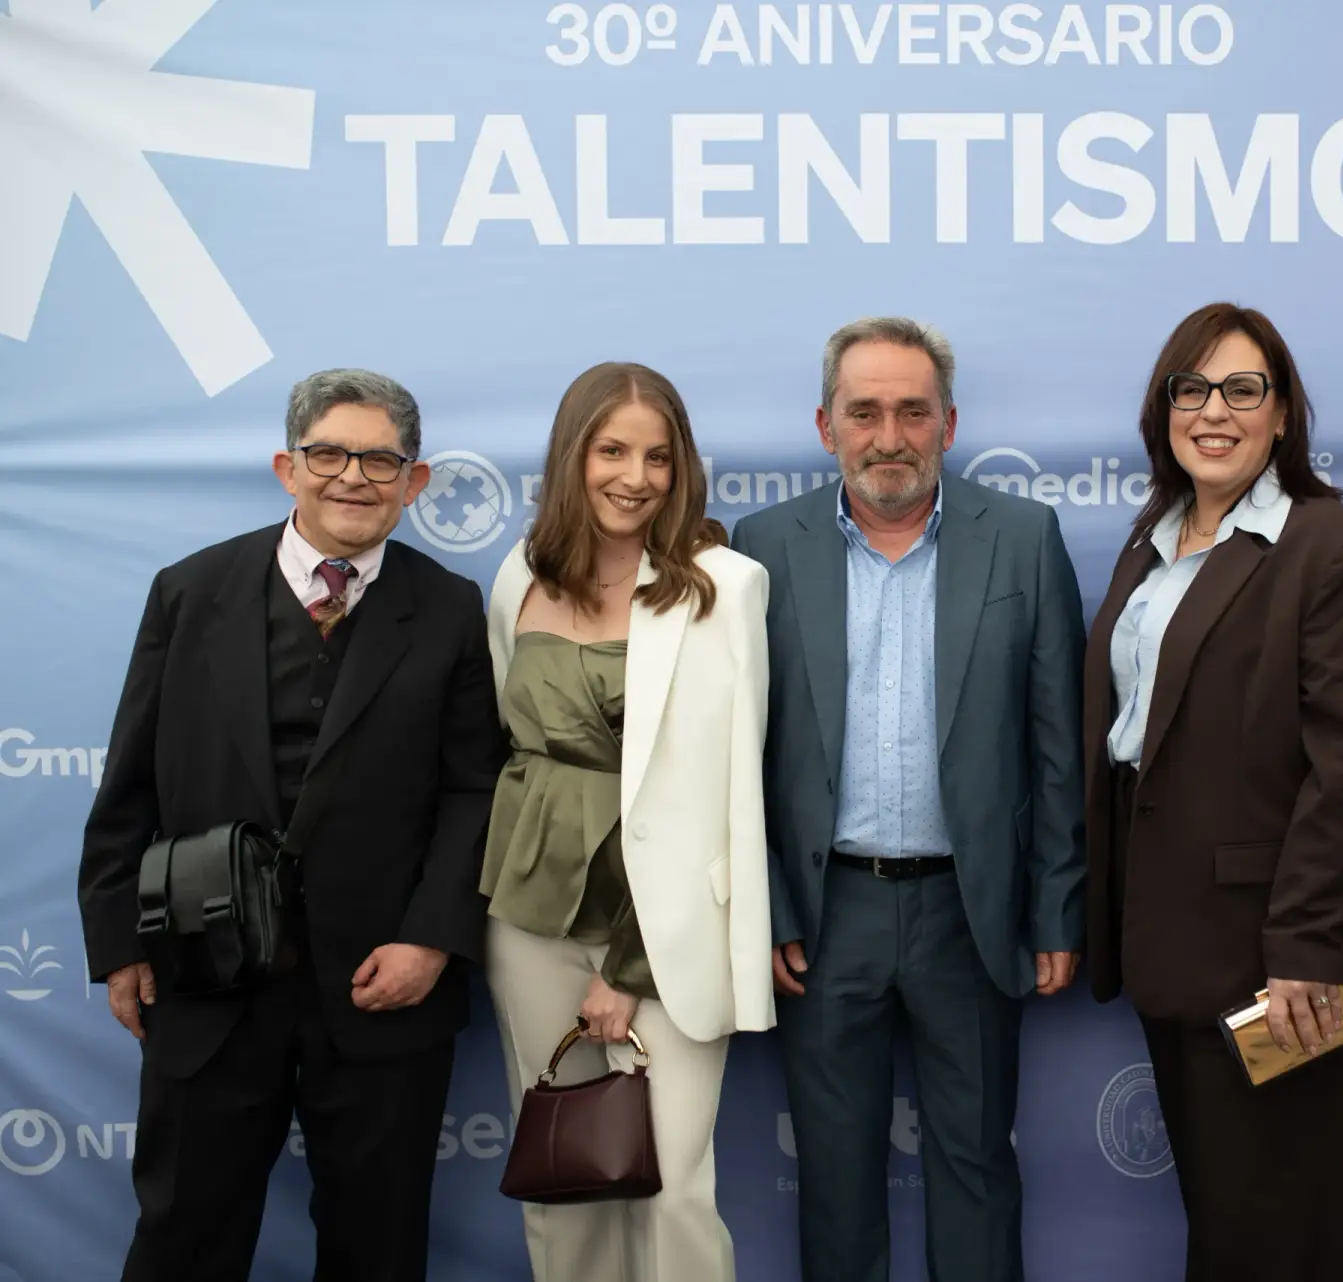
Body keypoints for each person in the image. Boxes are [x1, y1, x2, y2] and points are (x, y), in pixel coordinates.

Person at [75, 369, 505, 1282]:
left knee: (378, 1247)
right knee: (183, 1239)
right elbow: (130, 783)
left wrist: (430, 939)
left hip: (381, 984)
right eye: (329, 454)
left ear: (414, 482)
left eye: (379, 461)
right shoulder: (191, 593)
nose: (353, 477)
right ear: (288, 468)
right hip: (207, 974)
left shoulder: (449, 607)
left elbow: (475, 789)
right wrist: (118, 944)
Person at [730, 317, 1086, 1282]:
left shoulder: (1022, 539)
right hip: (825, 917)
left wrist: (1056, 906)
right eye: (865, 412)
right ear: (825, 426)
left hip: (970, 913)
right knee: (835, 1176)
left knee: (976, 1166)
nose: (889, 436)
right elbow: (740, 755)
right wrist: (768, 907)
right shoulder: (763, 549)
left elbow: (1058, 745)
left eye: (913, 412)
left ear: (949, 424)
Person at [1082, 302, 1343, 1282]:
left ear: (1282, 414)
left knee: (1277, 1235)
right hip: (1175, 949)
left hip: (1283, 969)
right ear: (1164, 409)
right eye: (1192, 389)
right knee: (1227, 1226)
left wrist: (1306, 949)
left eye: (1242, 389)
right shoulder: (1155, 540)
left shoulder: (1335, 550)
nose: (1214, 410)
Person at [482, 361, 775, 1282]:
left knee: (672, 1190)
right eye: (612, 451)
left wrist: (627, 967)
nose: (635, 477)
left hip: (668, 935)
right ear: (573, 455)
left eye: (658, 457)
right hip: (532, 921)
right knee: (561, 1181)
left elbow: (728, 793)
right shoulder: (517, 577)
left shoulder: (725, 587)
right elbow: (514, 745)